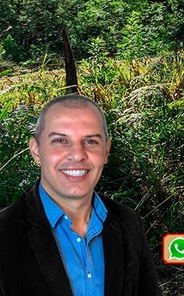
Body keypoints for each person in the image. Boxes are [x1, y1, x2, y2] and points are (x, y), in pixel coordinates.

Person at [0, 94, 161, 296]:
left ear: (106, 151)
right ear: (36, 150)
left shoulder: (128, 223)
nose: (77, 155)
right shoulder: (4, 233)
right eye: (60, 140)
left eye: (91, 141)